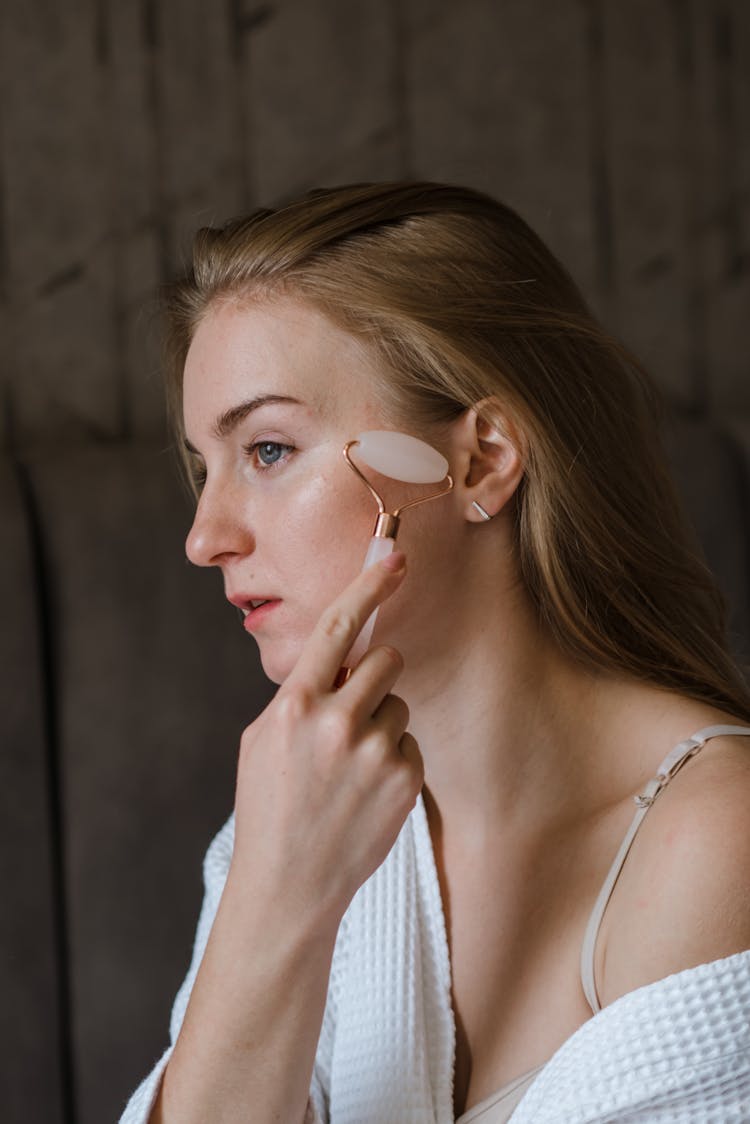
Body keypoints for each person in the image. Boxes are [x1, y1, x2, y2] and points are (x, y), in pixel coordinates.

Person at [120, 183, 750, 1123]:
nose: (206, 537)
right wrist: (273, 898)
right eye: (204, 470)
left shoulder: (716, 842)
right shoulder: (304, 822)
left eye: (269, 450)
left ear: (482, 460)